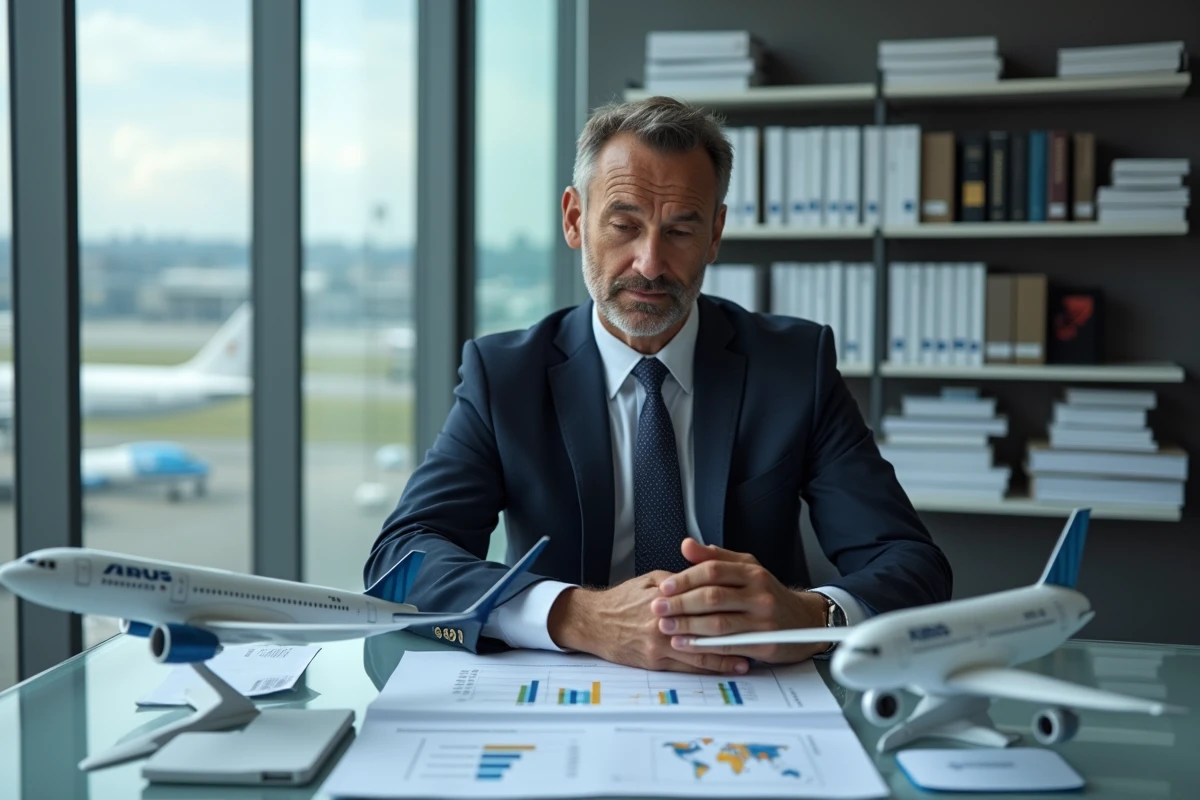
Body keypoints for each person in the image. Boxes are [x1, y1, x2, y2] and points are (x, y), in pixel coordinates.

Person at [364, 96, 952, 675]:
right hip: (563, 691)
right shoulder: (505, 376)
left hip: (755, 691)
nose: (649, 263)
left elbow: (911, 564)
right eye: (624, 225)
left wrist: (809, 615)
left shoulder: (795, 366)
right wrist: (575, 615)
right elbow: (404, 559)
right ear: (575, 220)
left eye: (679, 231)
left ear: (715, 234)